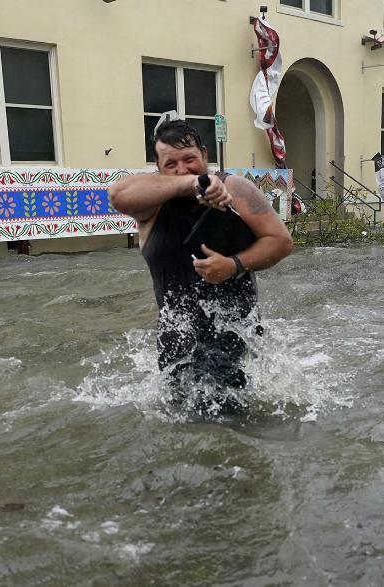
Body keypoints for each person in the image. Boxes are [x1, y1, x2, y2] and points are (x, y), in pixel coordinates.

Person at [109, 115, 293, 415]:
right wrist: (191, 183)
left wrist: (234, 265)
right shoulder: (150, 206)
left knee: (232, 422)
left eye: (190, 159)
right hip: (176, 339)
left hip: (234, 331)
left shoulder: (237, 190)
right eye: (171, 164)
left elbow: (281, 241)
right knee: (179, 423)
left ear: (205, 155)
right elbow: (117, 195)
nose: (182, 167)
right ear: (158, 168)